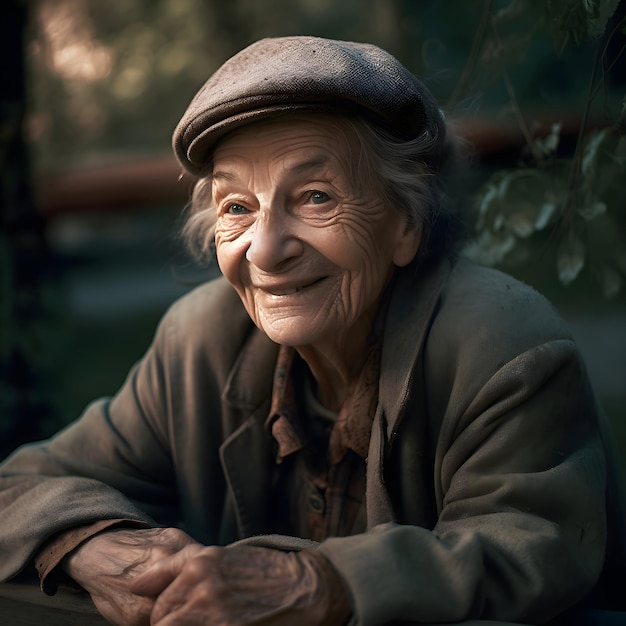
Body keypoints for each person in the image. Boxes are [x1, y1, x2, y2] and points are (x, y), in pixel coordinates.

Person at [0, 35, 624, 626]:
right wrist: (94, 547)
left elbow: (533, 551)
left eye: (317, 197)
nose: (265, 251)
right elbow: (17, 486)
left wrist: (320, 584)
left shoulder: (502, 341)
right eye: (237, 208)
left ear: (406, 222)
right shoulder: (198, 343)